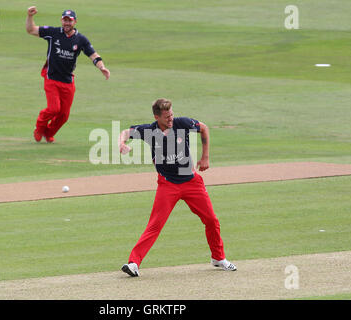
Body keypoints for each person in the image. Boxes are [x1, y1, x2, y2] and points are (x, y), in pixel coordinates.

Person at [119, 98, 237, 277]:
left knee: (211, 220)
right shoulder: (149, 130)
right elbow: (126, 132)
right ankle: (133, 263)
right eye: (166, 117)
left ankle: (218, 258)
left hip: (192, 183)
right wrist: (121, 143)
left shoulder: (182, 123)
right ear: (156, 117)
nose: (170, 119)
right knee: (155, 225)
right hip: (167, 185)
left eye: (171, 114)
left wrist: (205, 157)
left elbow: (204, 128)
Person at [26, 6, 110, 143]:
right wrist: (30, 16)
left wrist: (102, 67)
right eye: (65, 20)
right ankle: (39, 127)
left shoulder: (80, 39)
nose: (67, 23)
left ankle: (48, 133)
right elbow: (31, 30)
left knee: (64, 115)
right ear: (61, 20)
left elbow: (93, 54)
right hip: (51, 78)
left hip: (67, 81)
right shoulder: (53, 33)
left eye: (69, 21)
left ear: (75, 22)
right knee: (54, 109)